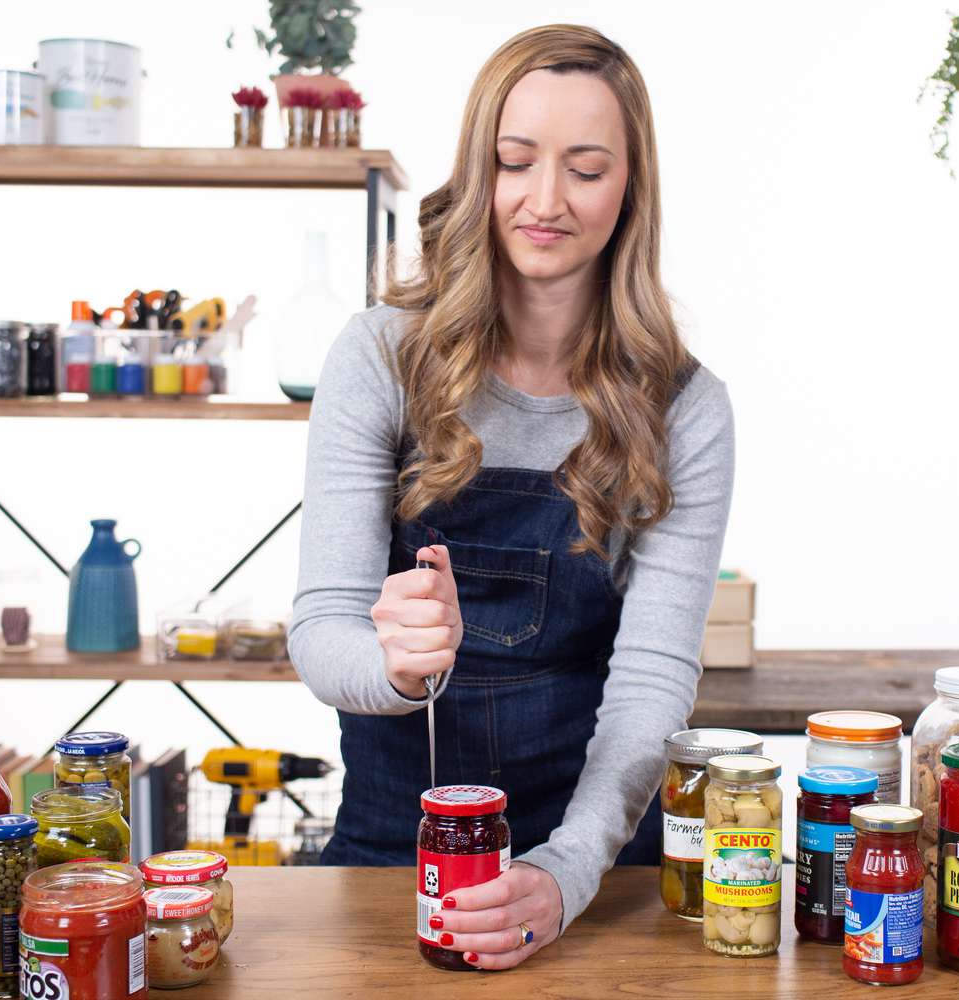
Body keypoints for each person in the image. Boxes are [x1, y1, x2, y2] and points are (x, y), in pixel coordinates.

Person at [289, 23, 735, 970]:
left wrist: (567, 873)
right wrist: (399, 668)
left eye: (585, 168)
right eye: (515, 161)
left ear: (630, 189)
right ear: (477, 169)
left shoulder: (687, 410)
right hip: (390, 853)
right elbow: (322, 629)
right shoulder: (378, 358)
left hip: (596, 869)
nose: (545, 200)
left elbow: (654, 682)